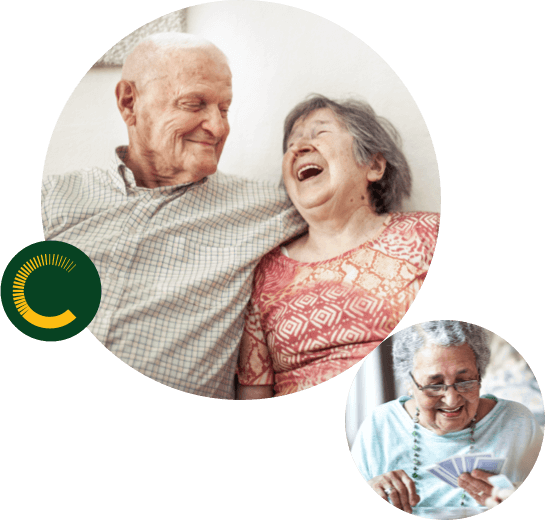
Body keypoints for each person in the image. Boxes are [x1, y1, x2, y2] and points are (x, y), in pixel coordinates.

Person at [41, 32, 306, 399]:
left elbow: (349, 210)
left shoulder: (267, 209)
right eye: (194, 104)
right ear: (130, 102)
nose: (219, 127)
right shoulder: (54, 198)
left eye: (225, 109)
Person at [236, 95, 440, 398]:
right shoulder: (266, 272)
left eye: (320, 132)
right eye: (292, 142)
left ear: (373, 165)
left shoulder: (427, 234)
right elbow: (254, 392)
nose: (299, 147)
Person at [350, 321, 543, 513]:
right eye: (434, 384)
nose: (451, 400)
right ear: (409, 383)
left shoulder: (518, 422)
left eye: (464, 380)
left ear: (480, 373)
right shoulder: (380, 425)